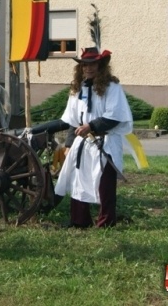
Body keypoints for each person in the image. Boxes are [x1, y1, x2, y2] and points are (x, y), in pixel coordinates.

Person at [54, 47, 133, 228]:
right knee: (78, 181)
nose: (88, 68)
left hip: (105, 143)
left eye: (92, 64)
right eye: (85, 65)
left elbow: (114, 116)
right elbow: (73, 121)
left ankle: (106, 222)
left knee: (104, 185)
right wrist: (68, 144)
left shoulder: (112, 88)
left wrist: (92, 126)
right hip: (82, 144)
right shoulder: (77, 90)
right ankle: (79, 221)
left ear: (100, 66)